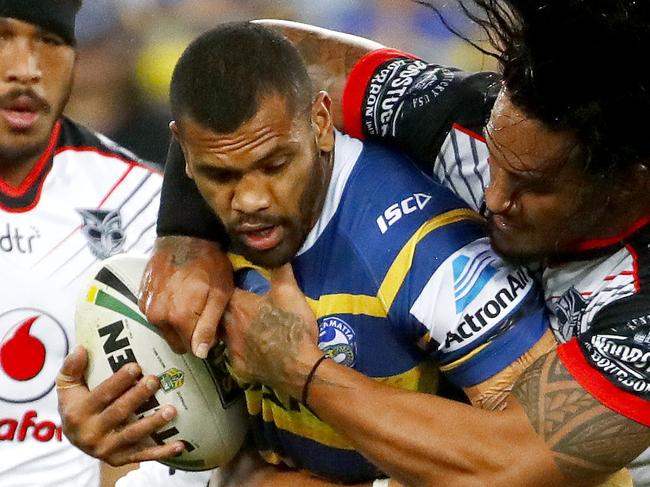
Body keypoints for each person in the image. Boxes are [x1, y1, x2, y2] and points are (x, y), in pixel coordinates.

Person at [127, 1, 650, 486]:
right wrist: (185, 234)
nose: (492, 197)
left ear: (627, 183)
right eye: (494, 156)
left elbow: (508, 465)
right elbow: (261, 53)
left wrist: (301, 371)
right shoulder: (457, 115)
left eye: (531, 186)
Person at [58, 21, 558, 486]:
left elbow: (552, 463)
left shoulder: (431, 255)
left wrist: (299, 372)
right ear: (183, 153)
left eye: (275, 164)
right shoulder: (180, 259)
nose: (251, 200)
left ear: (320, 122)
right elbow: (168, 449)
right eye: (221, 175)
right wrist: (114, 438)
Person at [0, 2, 211, 486]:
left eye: (51, 42)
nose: (27, 70)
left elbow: (187, 417)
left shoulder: (143, 200)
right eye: (2, 38)